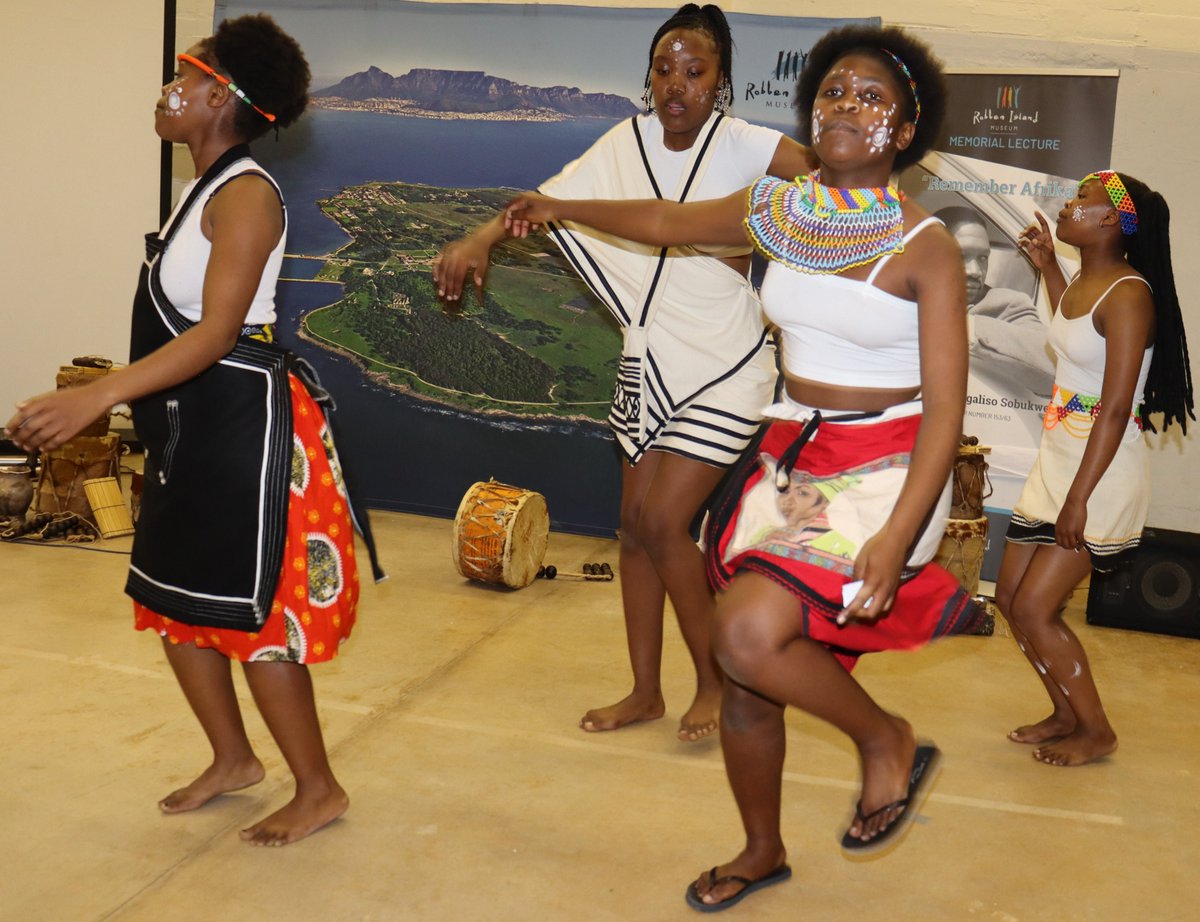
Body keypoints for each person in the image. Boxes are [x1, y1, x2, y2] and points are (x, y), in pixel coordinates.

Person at [504, 23, 988, 911]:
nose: (847, 104)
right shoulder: (781, 209)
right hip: (790, 454)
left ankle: (885, 739)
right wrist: (562, 207)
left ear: (906, 130)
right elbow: (663, 222)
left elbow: (947, 415)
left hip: (880, 467)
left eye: (873, 96)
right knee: (745, 678)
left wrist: (898, 533)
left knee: (744, 636)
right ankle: (761, 848)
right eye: (835, 90)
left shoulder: (926, 248)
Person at [5, 14, 383, 845]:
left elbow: (215, 335)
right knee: (173, 593)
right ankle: (233, 760)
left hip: (248, 433)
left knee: (257, 618)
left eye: (185, 74)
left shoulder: (248, 195)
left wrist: (96, 394)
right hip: (193, 427)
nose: (167, 89)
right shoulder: (203, 191)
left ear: (220, 95)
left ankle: (318, 788)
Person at [434, 4, 813, 742]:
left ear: (720, 83)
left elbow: (835, 180)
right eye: (664, 69)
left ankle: (718, 682)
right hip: (648, 357)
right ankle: (645, 691)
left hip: (726, 363)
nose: (677, 85)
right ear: (647, 77)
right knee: (632, 533)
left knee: (665, 523)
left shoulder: (745, 145)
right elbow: (540, 205)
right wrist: (480, 235)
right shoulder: (626, 140)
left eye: (694, 71)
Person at [998, 172, 1194, 767]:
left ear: (1112, 219)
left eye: (1083, 199)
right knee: (1009, 597)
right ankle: (1065, 712)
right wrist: (1046, 268)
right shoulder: (1087, 279)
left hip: (1099, 474)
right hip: (1060, 457)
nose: (1069, 204)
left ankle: (1096, 729)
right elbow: (1075, 331)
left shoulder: (1131, 294)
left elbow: (1114, 406)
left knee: (1035, 607)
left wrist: (1078, 500)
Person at [935, 205, 1055, 399]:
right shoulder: (902, 303)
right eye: (961, 255)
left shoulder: (1007, 305)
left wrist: (964, 326)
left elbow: (1052, 366)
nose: (975, 271)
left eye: (983, 257)